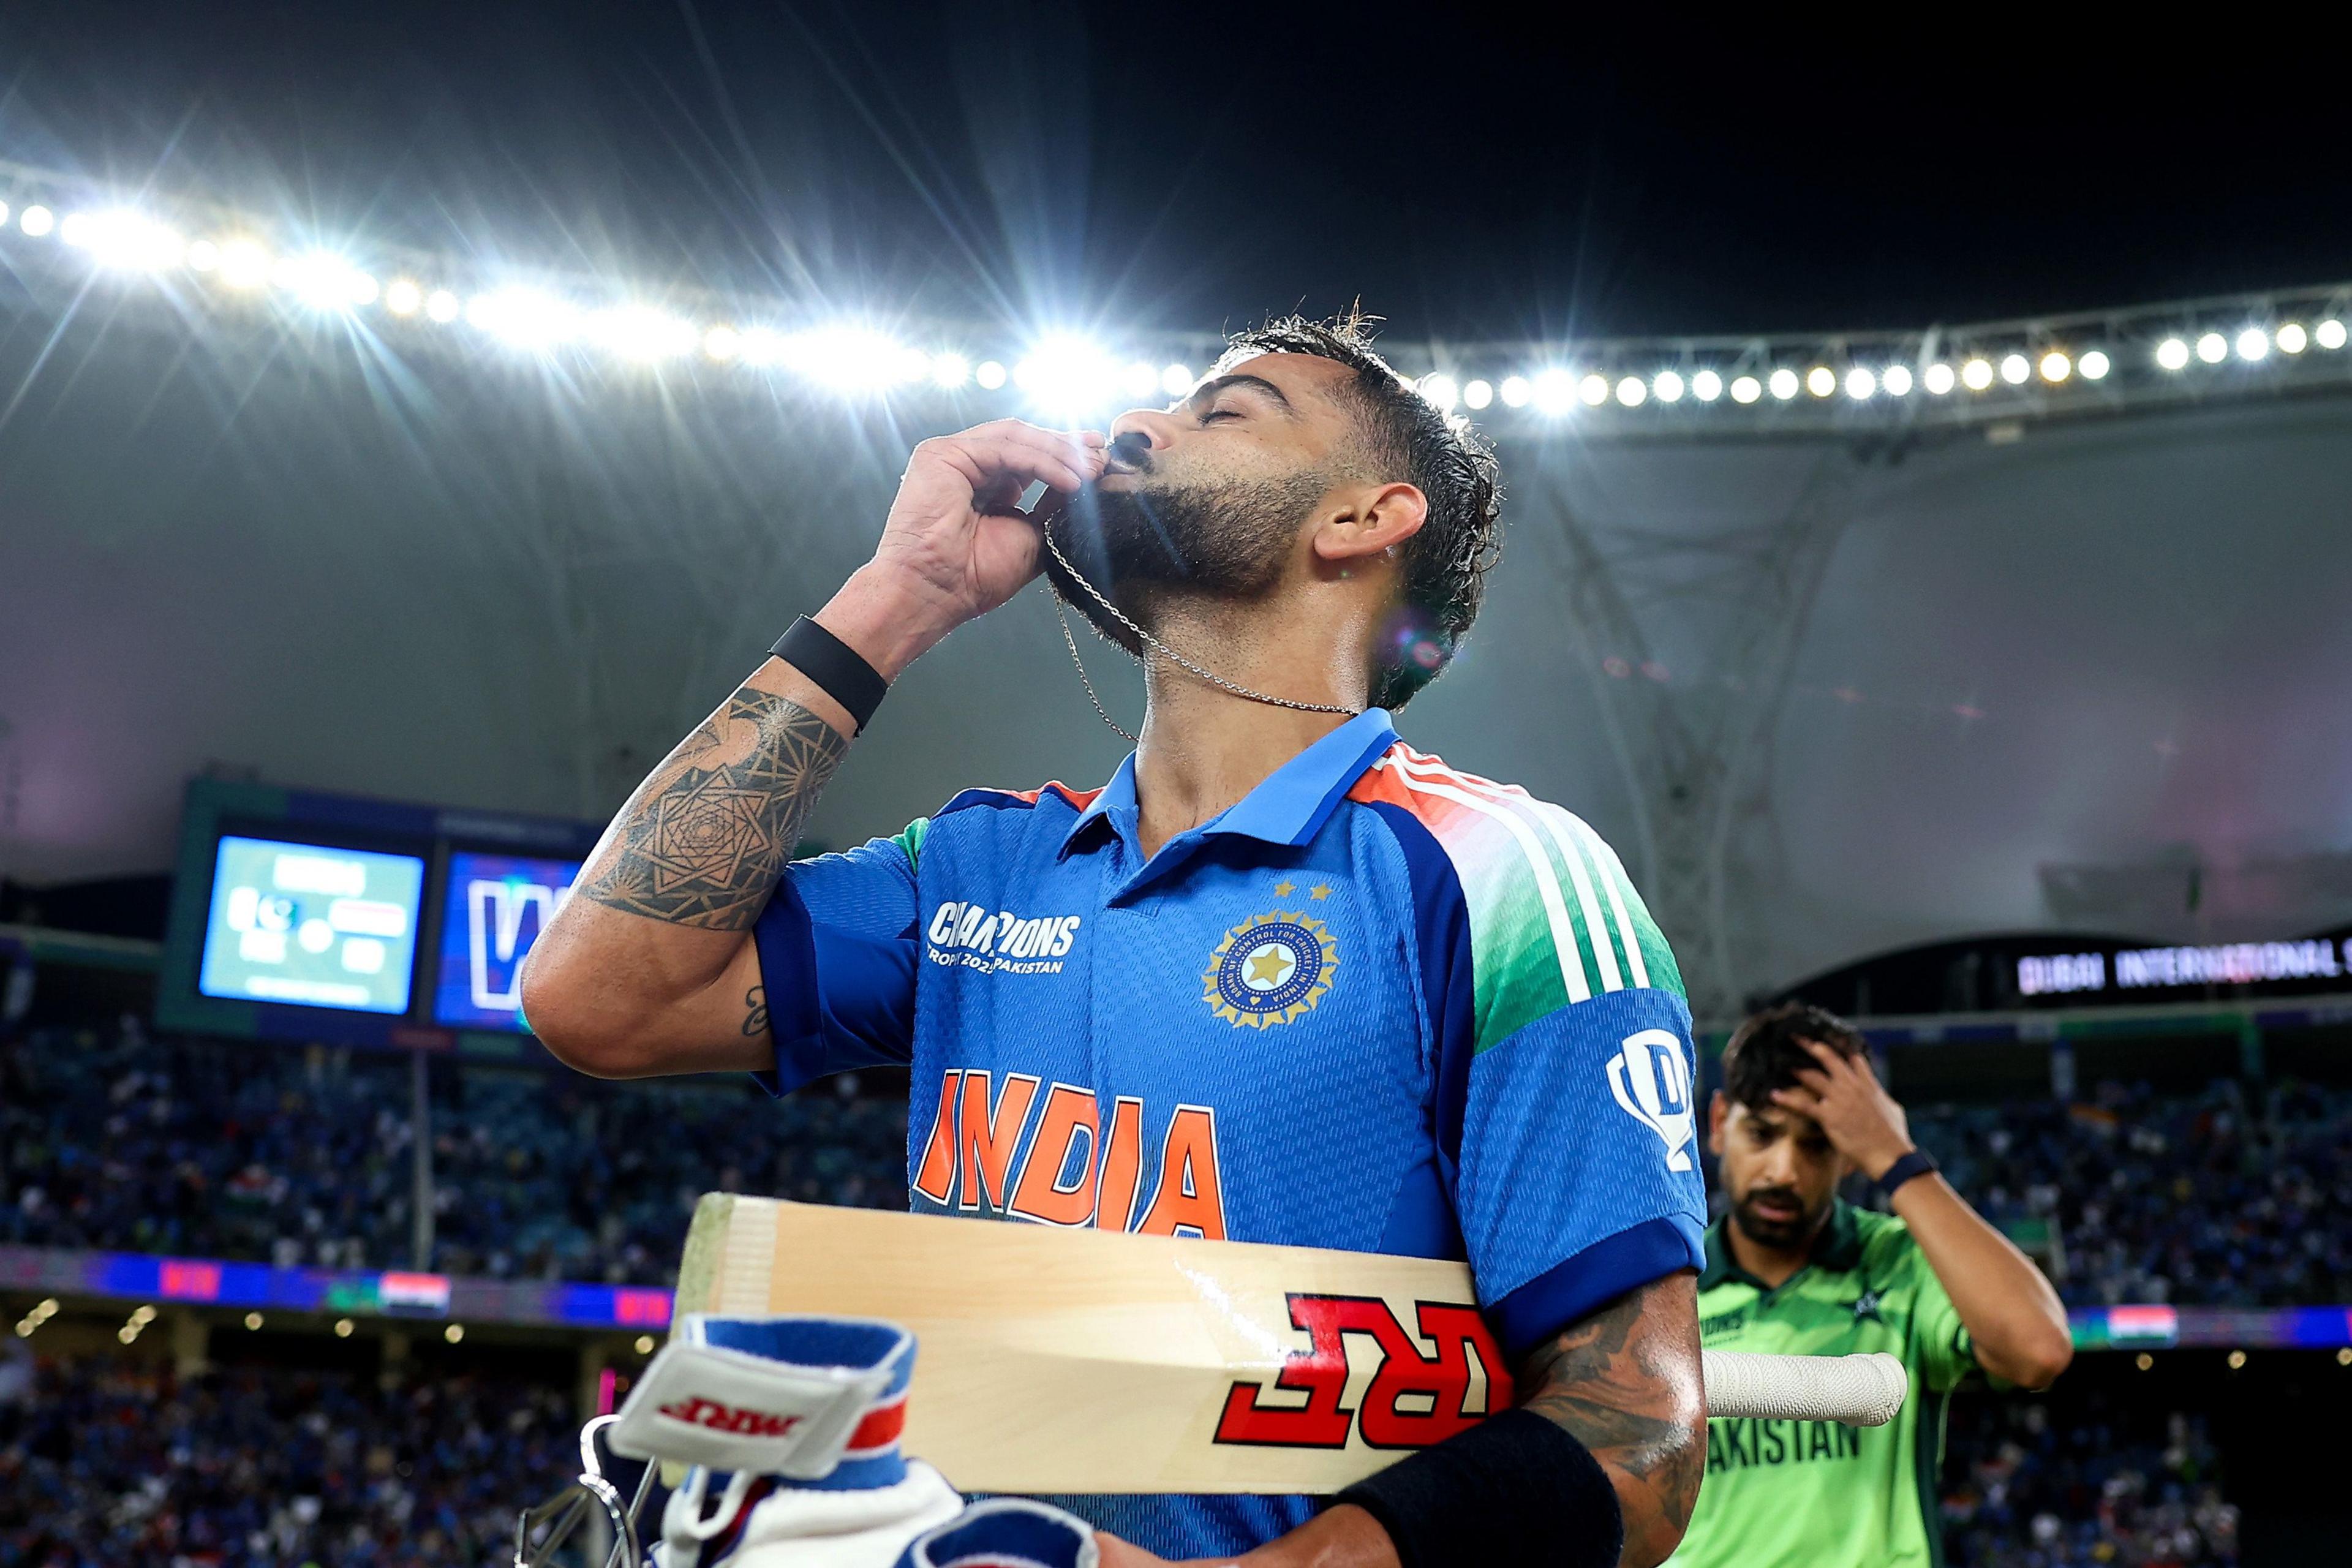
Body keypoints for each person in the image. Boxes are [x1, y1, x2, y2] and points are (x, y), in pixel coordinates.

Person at [524, 315, 1710, 1568]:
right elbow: (598, 997)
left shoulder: (1502, 874)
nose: (1136, 426)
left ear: (1364, 518)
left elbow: (1636, 1440)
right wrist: (898, 599)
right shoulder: (979, 868)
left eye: (1228, 409)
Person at [1667, 1001, 2075, 1568]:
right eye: (1761, 1134)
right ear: (1717, 1125)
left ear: (1853, 1155)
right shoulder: (1669, 1290)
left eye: (1817, 1145)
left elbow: (2039, 1352)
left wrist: (1897, 1157)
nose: (1783, 1171)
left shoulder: (1901, 1262)